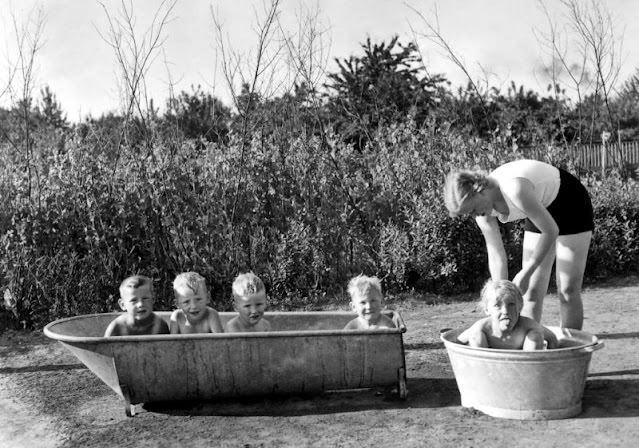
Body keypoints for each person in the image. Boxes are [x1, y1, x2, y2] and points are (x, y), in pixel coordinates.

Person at [444, 159, 594, 330]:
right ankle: (529, 347)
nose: (473, 215)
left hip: (570, 202)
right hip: (541, 207)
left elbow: (550, 231)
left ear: (479, 191)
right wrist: (500, 295)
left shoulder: (515, 189)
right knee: (530, 292)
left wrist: (526, 273)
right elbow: (496, 255)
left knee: (568, 290)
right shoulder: (482, 215)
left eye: (472, 210)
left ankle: (570, 349)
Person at [457, 279, 557, 350]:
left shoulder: (528, 326)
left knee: (535, 335)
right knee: (475, 335)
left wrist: (550, 360)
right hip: (488, 368)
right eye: (497, 305)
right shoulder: (483, 327)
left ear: (520, 306)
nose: (505, 311)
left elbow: (552, 338)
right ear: (487, 309)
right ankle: (480, 368)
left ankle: (531, 365)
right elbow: (457, 342)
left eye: (511, 304)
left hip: (523, 367)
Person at [104, 275, 169, 336]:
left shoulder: (160, 326)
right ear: (122, 304)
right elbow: (105, 347)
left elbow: (170, 346)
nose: (140, 304)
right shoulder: (117, 328)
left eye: (145, 298)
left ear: (153, 299)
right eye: (133, 300)